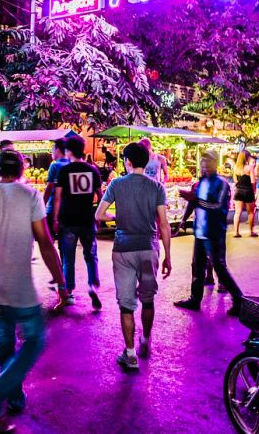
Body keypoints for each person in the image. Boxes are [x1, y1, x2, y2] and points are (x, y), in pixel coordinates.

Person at [0, 150, 67, 431]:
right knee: (34, 341)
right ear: (22, 170)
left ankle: (14, 394)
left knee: (4, 343)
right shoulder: (30, 195)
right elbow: (45, 242)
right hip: (20, 287)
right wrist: (60, 281)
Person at [95, 142, 172, 370]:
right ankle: (145, 340)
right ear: (146, 161)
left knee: (126, 304)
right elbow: (164, 224)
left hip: (123, 249)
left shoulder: (117, 184)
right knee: (148, 299)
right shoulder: (157, 187)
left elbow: (99, 215)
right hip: (149, 248)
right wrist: (168, 255)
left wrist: (117, 217)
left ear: (127, 161)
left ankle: (129, 354)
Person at [174, 149, 243, 316]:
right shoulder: (201, 182)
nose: (204, 167)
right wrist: (187, 213)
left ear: (215, 164)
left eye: (207, 163)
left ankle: (239, 299)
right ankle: (195, 298)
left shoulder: (222, 183)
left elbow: (219, 207)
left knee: (219, 267)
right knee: (197, 266)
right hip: (200, 231)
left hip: (214, 232)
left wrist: (195, 200)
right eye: (202, 164)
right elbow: (195, 202)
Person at [52, 136, 103, 309]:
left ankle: (69, 292)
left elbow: (57, 198)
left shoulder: (64, 171)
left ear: (69, 151)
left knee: (68, 258)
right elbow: (100, 195)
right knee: (90, 256)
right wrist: (98, 216)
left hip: (68, 220)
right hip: (87, 219)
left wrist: (55, 219)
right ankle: (92, 285)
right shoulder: (93, 170)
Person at [43, 138, 69, 241]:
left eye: (52, 149)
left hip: (53, 208)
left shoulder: (55, 165)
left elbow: (49, 188)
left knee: (49, 240)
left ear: (57, 150)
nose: (51, 153)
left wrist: (42, 203)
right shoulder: (71, 164)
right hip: (67, 209)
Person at [232, 150, 258, 238]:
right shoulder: (249, 168)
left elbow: (235, 180)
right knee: (250, 213)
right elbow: (253, 181)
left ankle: (236, 232)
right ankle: (251, 232)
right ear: (247, 157)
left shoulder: (235, 168)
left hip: (238, 190)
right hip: (248, 190)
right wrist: (254, 191)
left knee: (237, 212)